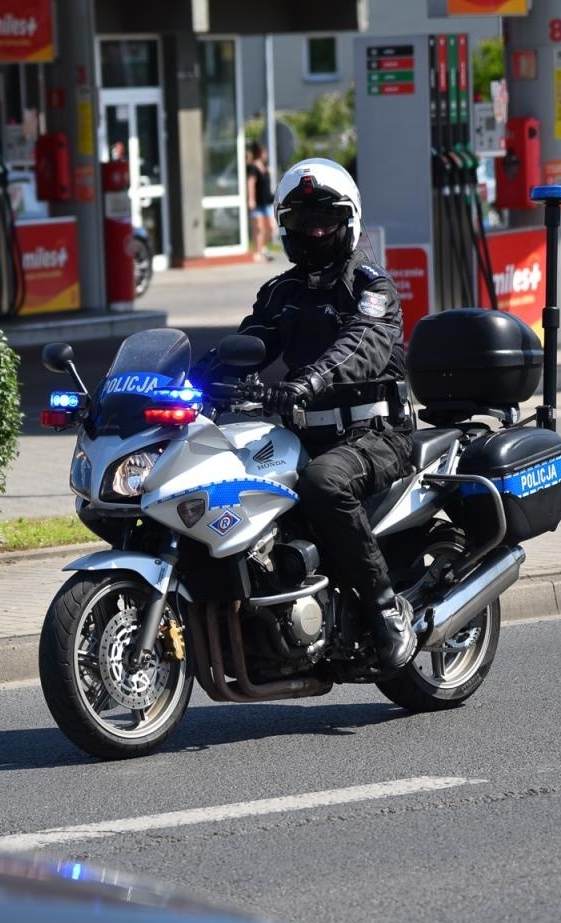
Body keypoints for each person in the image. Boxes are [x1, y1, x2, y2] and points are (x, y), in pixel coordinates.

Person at [203, 158, 418, 674]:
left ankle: (388, 612)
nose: (315, 230)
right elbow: (251, 341)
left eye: (326, 219)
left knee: (324, 483)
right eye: (303, 222)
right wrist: (187, 379)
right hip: (303, 436)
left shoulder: (371, 288)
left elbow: (359, 345)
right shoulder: (282, 294)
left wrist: (308, 382)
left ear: (349, 221)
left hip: (375, 433)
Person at [246, 142, 276, 262]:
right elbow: (250, 183)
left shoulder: (265, 166)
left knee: (270, 227)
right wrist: (251, 199)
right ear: (259, 153)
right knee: (258, 228)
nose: (266, 154)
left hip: (267, 201)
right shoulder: (253, 167)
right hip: (257, 202)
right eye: (264, 152)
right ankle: (258, 252)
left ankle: (263, 247)